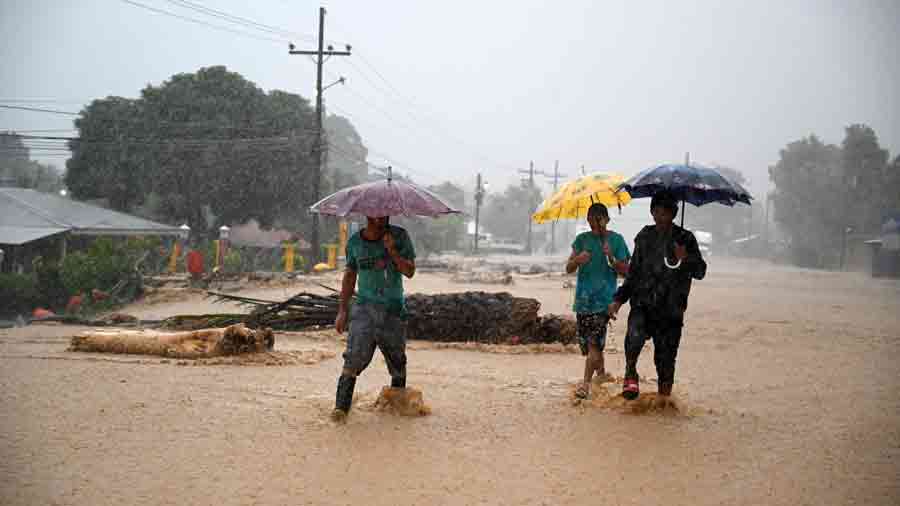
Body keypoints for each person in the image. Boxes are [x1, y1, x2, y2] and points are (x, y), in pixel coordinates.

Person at [608, 191, 707, 401]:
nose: (660, 218)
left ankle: (664, 403)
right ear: (652, 212)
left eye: (666, 213)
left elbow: (700, 272)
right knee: (633, 339)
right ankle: (630, 374)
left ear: (673, 214)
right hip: (643, 305)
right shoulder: (645, 237)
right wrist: (618, 300)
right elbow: (633, 274)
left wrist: (685, 257)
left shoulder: (685, 239)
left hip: (671, 312)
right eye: (657, 212)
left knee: (665, 361)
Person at [332, 216, 416, 421]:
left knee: (397, 364)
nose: (383, 216)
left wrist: (392, 251)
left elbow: (410, 271)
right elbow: (350, 276)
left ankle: (396, 413)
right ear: (368, 213)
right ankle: (340, 411)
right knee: (353, 359)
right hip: (364, 309)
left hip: (393, 310)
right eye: (378, 212)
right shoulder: (354, 243)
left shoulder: (399, 236)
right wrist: (342, 310)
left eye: (385, 212)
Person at [566, 203, 630, 399]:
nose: (595, 222)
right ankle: (601, 377)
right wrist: (577, 261)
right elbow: (568, 268)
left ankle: (585, 384)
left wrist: (611, 256)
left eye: (599, 218)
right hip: (583, 301)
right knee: (590, 347)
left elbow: (627, 272)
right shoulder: (581, 240)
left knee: (594, 344)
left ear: (607, 219)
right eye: (591, 218)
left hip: (604, 302)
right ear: (587, 220)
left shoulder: (617, 240)